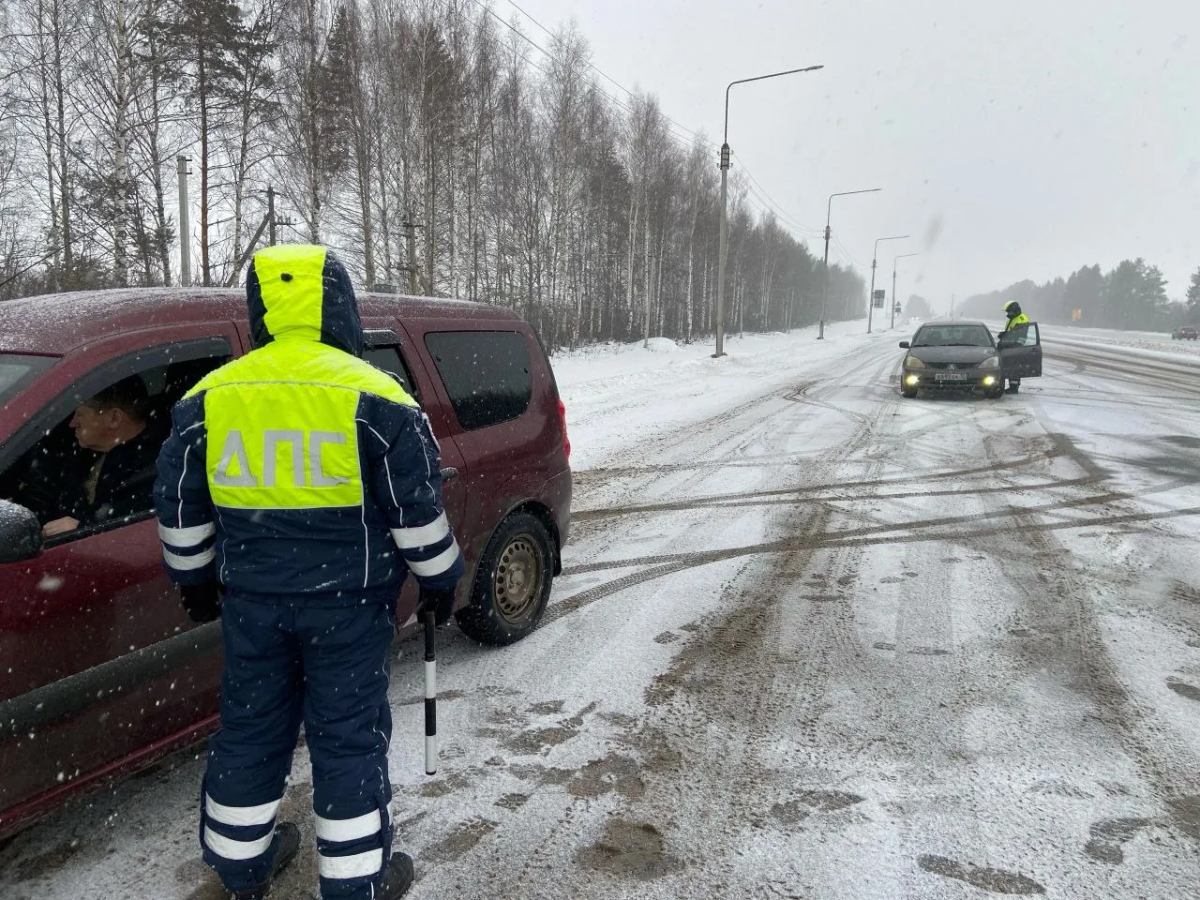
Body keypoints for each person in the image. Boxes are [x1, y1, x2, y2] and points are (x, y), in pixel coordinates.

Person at [153, 244, 463, 900]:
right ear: (340, 308)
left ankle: (242, 867)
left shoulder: (207, 399)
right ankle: (356, 884)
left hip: (252, 605)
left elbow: (179, 507)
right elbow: (416, 511)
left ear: (261, 309)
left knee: (251, 727)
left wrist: (195, 582)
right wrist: (439, 580)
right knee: (347, 739)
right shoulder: (379, 397)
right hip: (348, 608)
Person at [41, 376, 166, 537]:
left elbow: (131, 536)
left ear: (114, 419)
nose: (72, 423)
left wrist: (83, 528)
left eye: (80, 415)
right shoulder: (83, 454)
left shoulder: (157, 469)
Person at [1002, 300, 1031, 394]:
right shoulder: (1012, 318)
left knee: (1014, 367)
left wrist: (1012, 342)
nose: (1007, 313)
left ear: (1014, 310)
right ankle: (1012, 386)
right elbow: (1010, 332)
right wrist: (1004, 335)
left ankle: (1014, 387)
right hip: (1010, 346)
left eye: (1009, 311)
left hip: (1017, 347)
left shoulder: (1021, 319)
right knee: (1010, 366)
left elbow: (1020, 334)